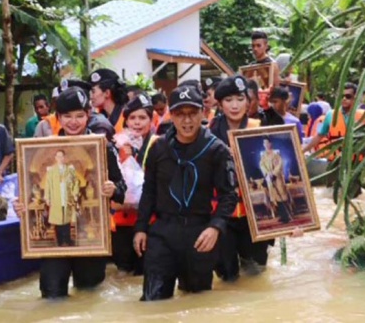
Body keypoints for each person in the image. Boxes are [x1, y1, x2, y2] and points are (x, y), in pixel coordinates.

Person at [14, 86, 127, 298]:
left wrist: (112, 188)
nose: (73, 122)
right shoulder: (42, 149)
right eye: (67, 116)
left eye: (79, 116)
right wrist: (21, 205)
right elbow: (31, 191)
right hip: (54, 235)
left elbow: (121, 189)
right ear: (58, 118)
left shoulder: (103, 147)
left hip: (91, 238)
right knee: (51, 293)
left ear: (88, 115)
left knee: (89, 294)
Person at [133, 86, 238, 301]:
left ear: (203, 112)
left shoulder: (216, 150)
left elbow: (229, 194)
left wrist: (215, 227)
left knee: (196, 302)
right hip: (163, 233)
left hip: (199, 233)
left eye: (192, 113)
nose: (187, 121)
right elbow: (149, 190)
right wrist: (141, 228)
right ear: (171, 116)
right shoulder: (159, 148)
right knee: (153, 302)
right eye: (180, 114)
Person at [209, 76, 274, 281]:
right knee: (227, 275)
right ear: (219, 104)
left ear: (249, 101)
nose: (235, 105)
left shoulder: (260, 129)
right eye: (228, 100)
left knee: (256, 271)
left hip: (255, 214)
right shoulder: (207, 134)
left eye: (239, 99)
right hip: (221, 215)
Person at [112, 92, 157, 275]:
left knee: (145, 272)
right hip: (122, 221)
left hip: (150, 221)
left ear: (151, 120)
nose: (137, 122)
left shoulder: (159, 144)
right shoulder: (115, 145)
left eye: (142, 118)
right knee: (122, 273)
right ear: (126, 121)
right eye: (132, 118)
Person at [303, 82, 365, 160]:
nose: (344, 99)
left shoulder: (363, 115)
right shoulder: (330, 115)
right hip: (335, 162)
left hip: (355, 162)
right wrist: (303, 151)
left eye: (348, 96)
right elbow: (319, 136)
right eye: (341, 96)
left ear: (355, 98)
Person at [45, 149, 80, 246]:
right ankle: (60, 240)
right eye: (58, 156)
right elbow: (47, 185)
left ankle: (67, 239)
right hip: (56, 197)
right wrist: (47, 198)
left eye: (62, 156)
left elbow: (75, 182)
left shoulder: (70, 169)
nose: (60, 158)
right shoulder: (51, 171)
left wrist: (75, 194)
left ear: (64, 158)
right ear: (55, 158)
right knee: (58, 220)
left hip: (67, 197)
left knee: (66, 219)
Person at [260, 137, 292, 224]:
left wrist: (274, 174)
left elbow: (280, 165)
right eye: (264, 143)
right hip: (269, 180)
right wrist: (267, 173)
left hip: (277, 179)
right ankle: (282, 216)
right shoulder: (264, 156)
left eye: (267, 143)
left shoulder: (276, 154)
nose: (266, 145)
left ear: (270, 144)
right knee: (274, 198)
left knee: (281, 197)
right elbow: (262, 165)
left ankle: (287, 216)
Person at [89, 68, 128, 134]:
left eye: (93, 91)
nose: (90, 96)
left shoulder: (127, 116)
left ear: (107, 93)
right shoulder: (96, 116)